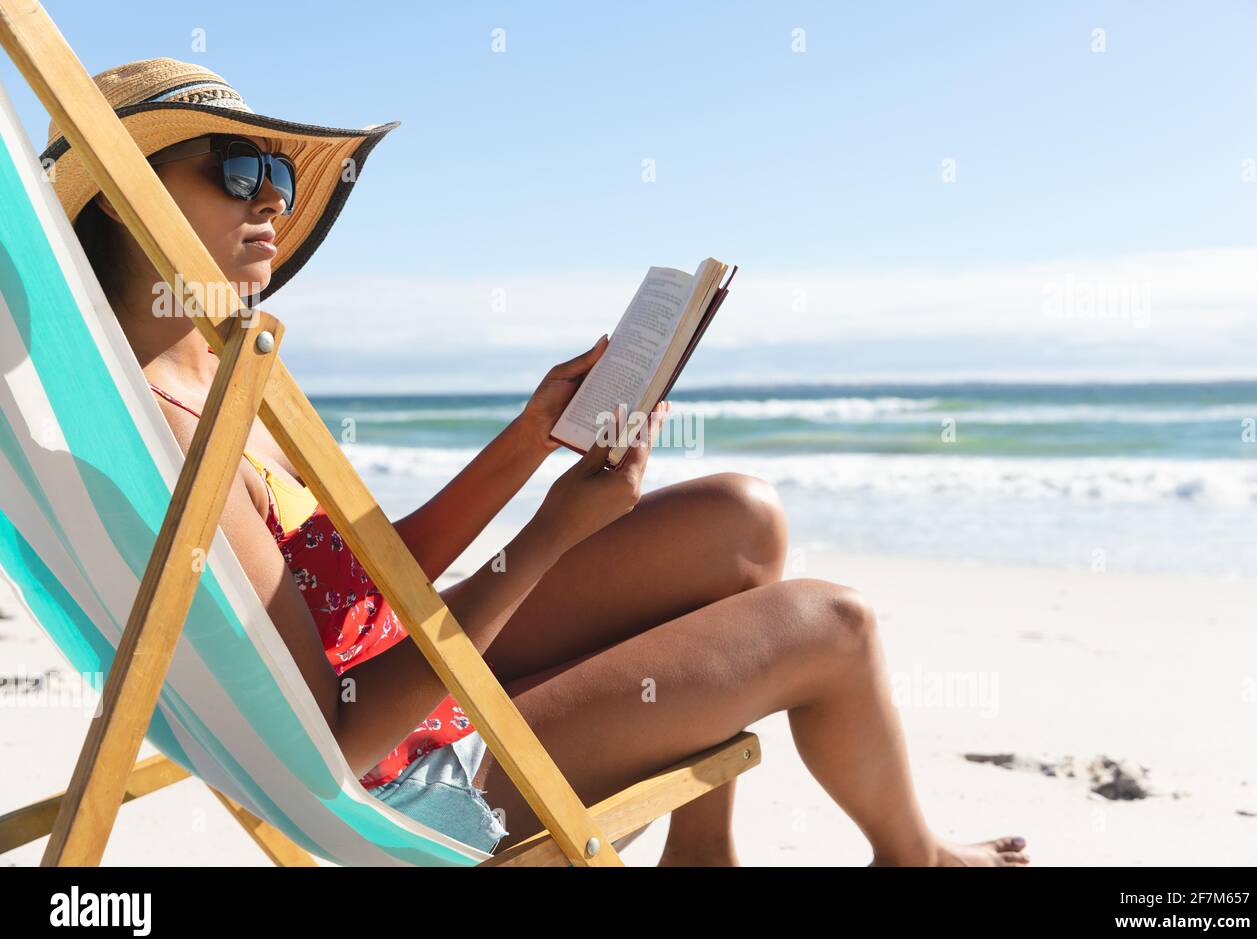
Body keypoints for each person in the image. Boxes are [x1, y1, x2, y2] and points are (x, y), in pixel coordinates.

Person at [43, 58, 1028, 866]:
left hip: (414, 689)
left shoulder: (204, 379)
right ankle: (918, 860)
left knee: (738, 518)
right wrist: (554, 531)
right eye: (236, 169)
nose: (270, 196)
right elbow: (340, 735)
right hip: (424, 779)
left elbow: (362, 585)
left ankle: (704, 849)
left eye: (279, 174)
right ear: (126, 201)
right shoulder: (179, 435)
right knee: (836, 625)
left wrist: (526, 441)